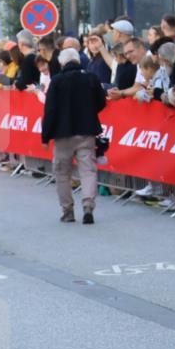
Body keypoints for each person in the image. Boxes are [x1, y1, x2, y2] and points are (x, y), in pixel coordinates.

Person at [41, 47, 106, 224]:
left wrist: (45, 136)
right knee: (88, 170)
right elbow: (101, 102)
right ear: (78, 60)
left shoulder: (56, 81)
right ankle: (88, 205)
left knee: (62, 173)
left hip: (62, 135)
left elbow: (50, 110)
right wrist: (89, 112)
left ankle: (67, 211)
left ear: (62, 63)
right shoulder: (91, 78)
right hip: (86, 132)